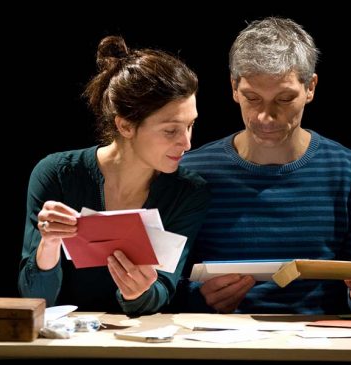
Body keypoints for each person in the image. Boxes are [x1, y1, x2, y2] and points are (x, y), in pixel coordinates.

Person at [179, 17, 351, 314]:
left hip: (319, 348)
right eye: (252, 98)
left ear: (310, 87)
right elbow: (160, 283)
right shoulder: (191, 172)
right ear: (234, 88)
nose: (265, 116)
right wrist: (198, 296)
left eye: (284, 99)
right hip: (218, 346)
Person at [18, 36, 210, 316]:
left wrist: (139, 292)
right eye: (171, 130)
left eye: (190, 125)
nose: (187, 143)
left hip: (143, 346)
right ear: (125, 126)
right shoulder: (58, 174)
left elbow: (162, 292)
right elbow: (36, 297)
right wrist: (49, 243)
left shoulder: (187, 191)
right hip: (63, 345)